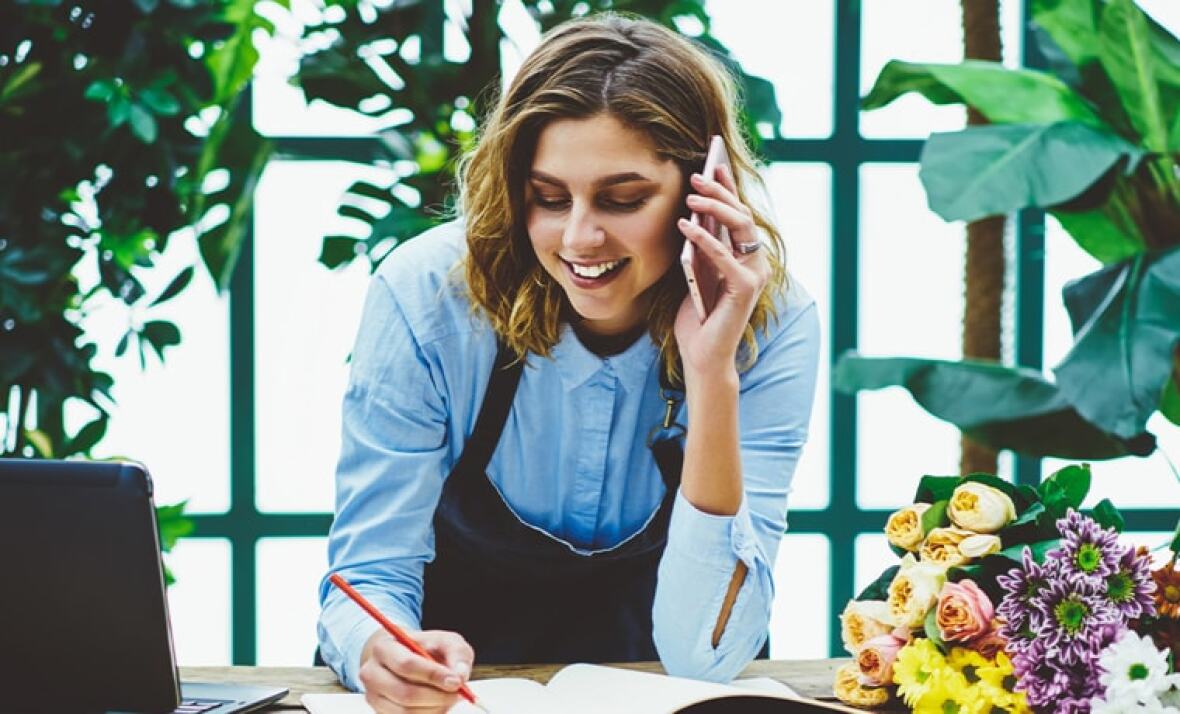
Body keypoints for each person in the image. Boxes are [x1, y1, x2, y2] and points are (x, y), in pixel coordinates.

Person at [316, 12, 820, 714]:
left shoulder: (772, 320)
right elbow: (367, 576)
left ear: (705, 189)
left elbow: (705, 655)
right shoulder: (426, 295)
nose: (580, 238)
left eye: (623, 199)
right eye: (548, 198)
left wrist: (712, 375)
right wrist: (381, 652)